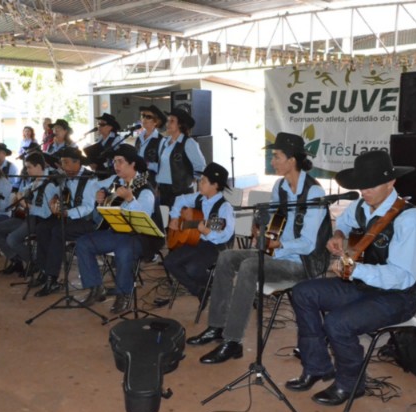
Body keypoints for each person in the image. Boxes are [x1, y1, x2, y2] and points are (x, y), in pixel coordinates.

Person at [285, 150, 416, 406]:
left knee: (337, 323)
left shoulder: (411, 221)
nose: (364, 190)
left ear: (391, 183)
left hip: (399, 297)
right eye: (361, 185)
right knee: (303, 292)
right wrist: (340, 235)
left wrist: (355, 270)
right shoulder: (363, 206)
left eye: (371, 185)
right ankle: (318, 366)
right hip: (364, 285)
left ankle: (351, 384)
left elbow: (402, 277)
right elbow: (344, 220)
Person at [187, 132, 332, 365]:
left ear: (292, 160)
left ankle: (233, 341)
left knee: (250, 267)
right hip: (277, 253)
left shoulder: (314, 192)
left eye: (276, 156)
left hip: (302, 262)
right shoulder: (280, 186)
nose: (272, 161)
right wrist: (264, 234)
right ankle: (216, 326)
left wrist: (278, 245)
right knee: (226, 257)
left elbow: (308, 244)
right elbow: (276, 221)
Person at [75, 144, 164, 314]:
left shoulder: (145, 189)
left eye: (120, 161)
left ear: (133, 165)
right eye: (114, 161)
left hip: (142, 237)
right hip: (118, 233)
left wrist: (130, 199)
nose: (116, 165)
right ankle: (96, 288)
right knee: (83, 243)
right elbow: (103, 203)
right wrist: (101, 198)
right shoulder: (116, 183)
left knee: (124, 250)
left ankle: (123, 294)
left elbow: (143, 217)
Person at [164, 162, 235, 311]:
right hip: (196, 241)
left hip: (216, 246)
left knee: (193, 269)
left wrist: (207, 231)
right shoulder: (199, 198)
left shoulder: (224, 207)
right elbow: (180, 200)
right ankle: (200, 291)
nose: (199, 183)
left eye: (203, 181)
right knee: (169, 261)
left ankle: (218, 284)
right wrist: (175, 217)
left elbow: (226, 233)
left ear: (214, 185)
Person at [33, 147, 96, 297]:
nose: (64, 167)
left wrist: (68, 212)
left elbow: (88, 207)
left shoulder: (90, 179)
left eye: (66, 163)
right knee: (42, 228)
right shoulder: (66, 177)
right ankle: (43, 270)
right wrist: (55, 198)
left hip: (87, 221)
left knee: (57, 231)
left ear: (77, 163)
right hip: (69, 218)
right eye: (62, 163)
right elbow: (60, 192)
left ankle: (51, 279)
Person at [0, 151, 54, 275]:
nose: (26, 170)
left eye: (29, 167)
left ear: (39, 167)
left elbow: (46, 213)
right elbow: (23, 191)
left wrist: (28, 206)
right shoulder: (34, 182)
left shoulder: (49, 184)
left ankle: (34, 262)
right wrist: (16, 197)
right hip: (24, 217)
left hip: (38, 220)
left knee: (12, 239)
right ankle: (16, 260)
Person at [156, 108, 206, 207]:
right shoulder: (164, 142)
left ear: (180, 124)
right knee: (163, 220)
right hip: (163, 190)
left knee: (178, 221)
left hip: (181, 192)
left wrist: (189, 181)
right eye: (167, 121)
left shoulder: (188, 143)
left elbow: (201, 166)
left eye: (172, 121)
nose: (167, 124)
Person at [136, 105, 166, 185]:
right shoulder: (139, 138)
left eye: (148, 117)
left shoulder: (161, 140)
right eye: (143, 116)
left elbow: (163, 167)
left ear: (156, 121)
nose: (144, 119)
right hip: (137, 180)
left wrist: (148, 164)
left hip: (152, 182)